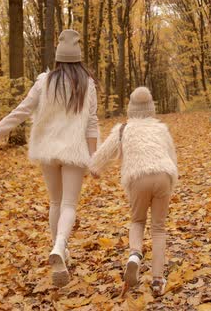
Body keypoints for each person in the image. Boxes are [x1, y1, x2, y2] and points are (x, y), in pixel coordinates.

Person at [0, 29, 98, 287]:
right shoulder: (87, 84)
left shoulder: (44, 81)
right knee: (69, 205)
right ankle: (60, 245)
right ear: (78, 59)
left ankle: (61, 254)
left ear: (58, 58)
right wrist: (94, 155)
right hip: (74, 151)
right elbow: (92, 123)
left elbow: (22, 110)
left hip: (46, 150)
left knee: (55, 202)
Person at [89, 87, 178, 296]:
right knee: (159, 229)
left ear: (131, 108)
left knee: (137, 221)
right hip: (163, 176)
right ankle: (157, 281)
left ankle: (135, 255)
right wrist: (170, 184)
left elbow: (102, 155)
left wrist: (94, 168)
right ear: (151, 108)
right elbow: (172, 157)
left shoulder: (123, 129)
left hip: (138, 178)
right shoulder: (161, 129)